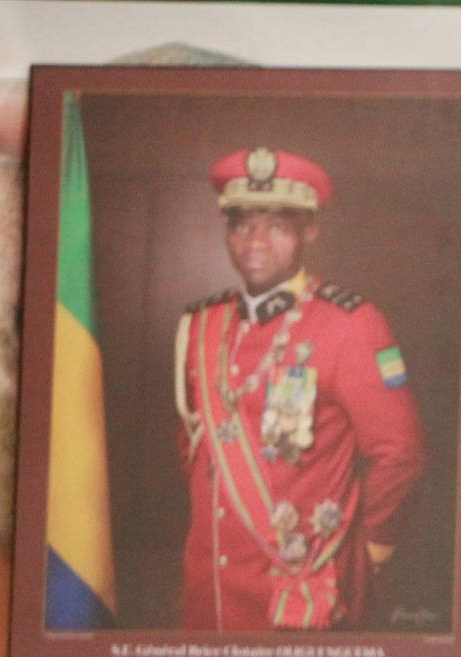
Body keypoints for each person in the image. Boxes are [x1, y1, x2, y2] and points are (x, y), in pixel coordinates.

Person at [175, 147, 425, 632]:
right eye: (243, 225)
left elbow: (401, 454)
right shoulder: (202, 325)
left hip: (298, 589)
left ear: (310, 231)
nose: (255, 242)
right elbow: (192, 446)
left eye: (277, 226)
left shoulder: (350, 325)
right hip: (208, 587)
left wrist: (365, 554)